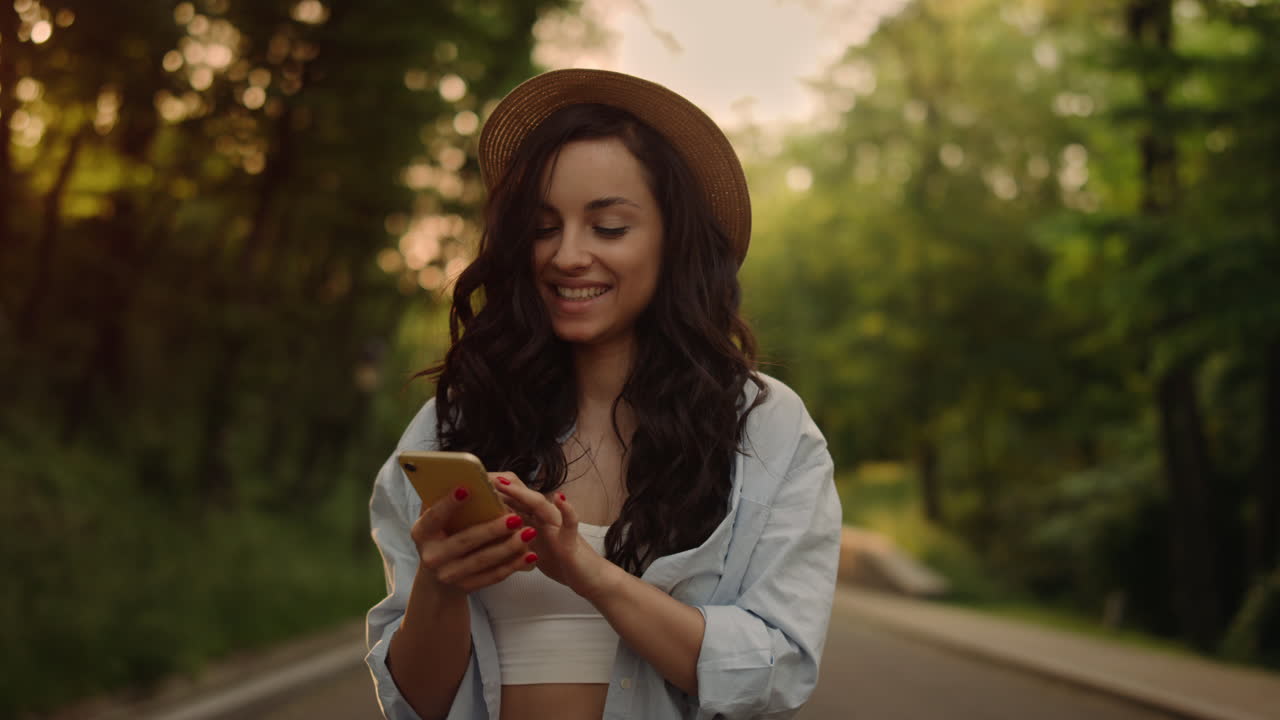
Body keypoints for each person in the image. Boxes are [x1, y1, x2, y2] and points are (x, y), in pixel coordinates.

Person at [364, 68, 841, 720]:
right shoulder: (453, 425)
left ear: (674, 241)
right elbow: (413, 702)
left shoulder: (766, 427)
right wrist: (441, 585)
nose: (567, 255)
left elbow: (777, 670)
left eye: (609, 227)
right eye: (543, 227)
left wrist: (590, 575)